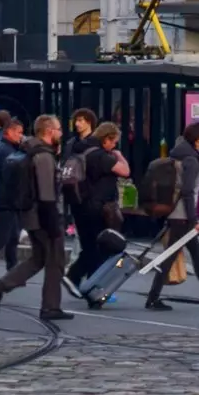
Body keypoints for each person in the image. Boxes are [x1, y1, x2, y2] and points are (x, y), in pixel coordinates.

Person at [0, 114, 74, 321]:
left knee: (39, 258)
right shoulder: (43, 155)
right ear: (49, 131)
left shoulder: (30, 150)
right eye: (59, 129)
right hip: (43, 216)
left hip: (32, 215)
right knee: (55, 260)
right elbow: (46, 194)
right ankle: (50, 307)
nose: (61, 132)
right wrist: (53, 224)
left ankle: (0, 286)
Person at [142, 122, 199, 311]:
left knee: (194, 256)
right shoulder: (191, 160)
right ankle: (152, 298)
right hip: (182, 216)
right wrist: (194, 220)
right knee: (170, 258)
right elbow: (187, 191)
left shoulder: (180, 154)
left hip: (178, 214)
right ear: (197, 140)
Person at [63, 120, 128, 298]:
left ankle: (92, 288)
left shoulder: (80, 148)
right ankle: (74, 276)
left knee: (90, 246)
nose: (114, 145)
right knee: (100, 247)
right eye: (113, 141)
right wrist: (119, 155)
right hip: (96, 207)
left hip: (79, 205)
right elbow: (125, 171)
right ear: (106, 139)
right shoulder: (100, 155)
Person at [0, 115, 27, 269]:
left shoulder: (1, 147)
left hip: (6, 200)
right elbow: (9, 178)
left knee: (12, 236)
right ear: (9, 132)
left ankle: (12, 267)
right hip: (6, 200)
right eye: (18, 132)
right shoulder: (6, 151)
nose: (21, 136)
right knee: (1, 238)